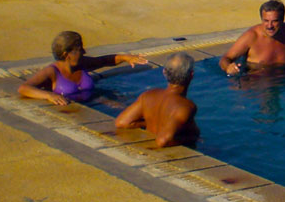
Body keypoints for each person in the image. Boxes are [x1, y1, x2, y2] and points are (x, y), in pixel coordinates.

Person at [18, 31, 148, 105]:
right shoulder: (52, 71)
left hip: (96, 102)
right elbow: (24, 88)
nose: (84, 52)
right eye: (80, 49)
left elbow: (104, 61)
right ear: (66, 54)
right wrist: (48, 95)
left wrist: (126, 58)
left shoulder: (82, 64)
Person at [114, 53, 199, 148]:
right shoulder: (186, 106)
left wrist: (149, 121)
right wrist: (190, 139)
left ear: (164, 72)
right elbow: (163, 141)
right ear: (191, 75)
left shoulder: (148, 95)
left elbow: (122, 122)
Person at [220, 0, 285, 74]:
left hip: (284, 79)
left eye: (275, 21)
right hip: (256, 82)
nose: (270, 26)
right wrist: (228, 67)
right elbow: (225, 58)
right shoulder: (251, 37)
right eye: (266, 21)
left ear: (282, 20)